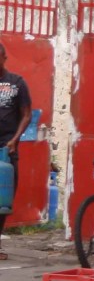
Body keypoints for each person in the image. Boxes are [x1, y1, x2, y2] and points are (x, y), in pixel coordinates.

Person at [0, 43, 32, 261]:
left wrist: (14, 140)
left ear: (3, 57)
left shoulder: (17, 83)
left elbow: (27, 114)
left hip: (6, 149)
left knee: (3, 199)